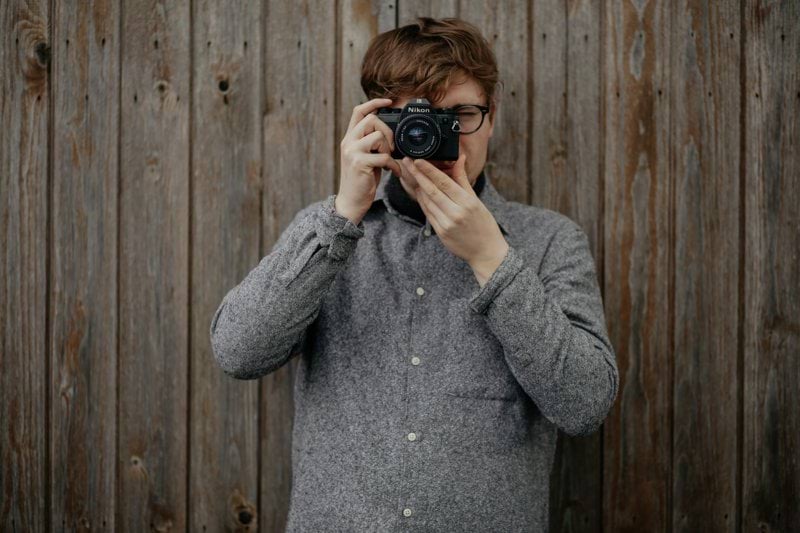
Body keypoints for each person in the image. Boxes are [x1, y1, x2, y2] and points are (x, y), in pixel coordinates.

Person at [210, 16, 618, 532]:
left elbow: (585, 406)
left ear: (492, 118)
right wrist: (341, 218)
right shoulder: (326, 233)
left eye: (460, 116)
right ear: (374, 123)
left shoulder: (550, 241)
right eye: (415, 121)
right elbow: (238, 352)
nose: (437, 138)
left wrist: (492, 258)